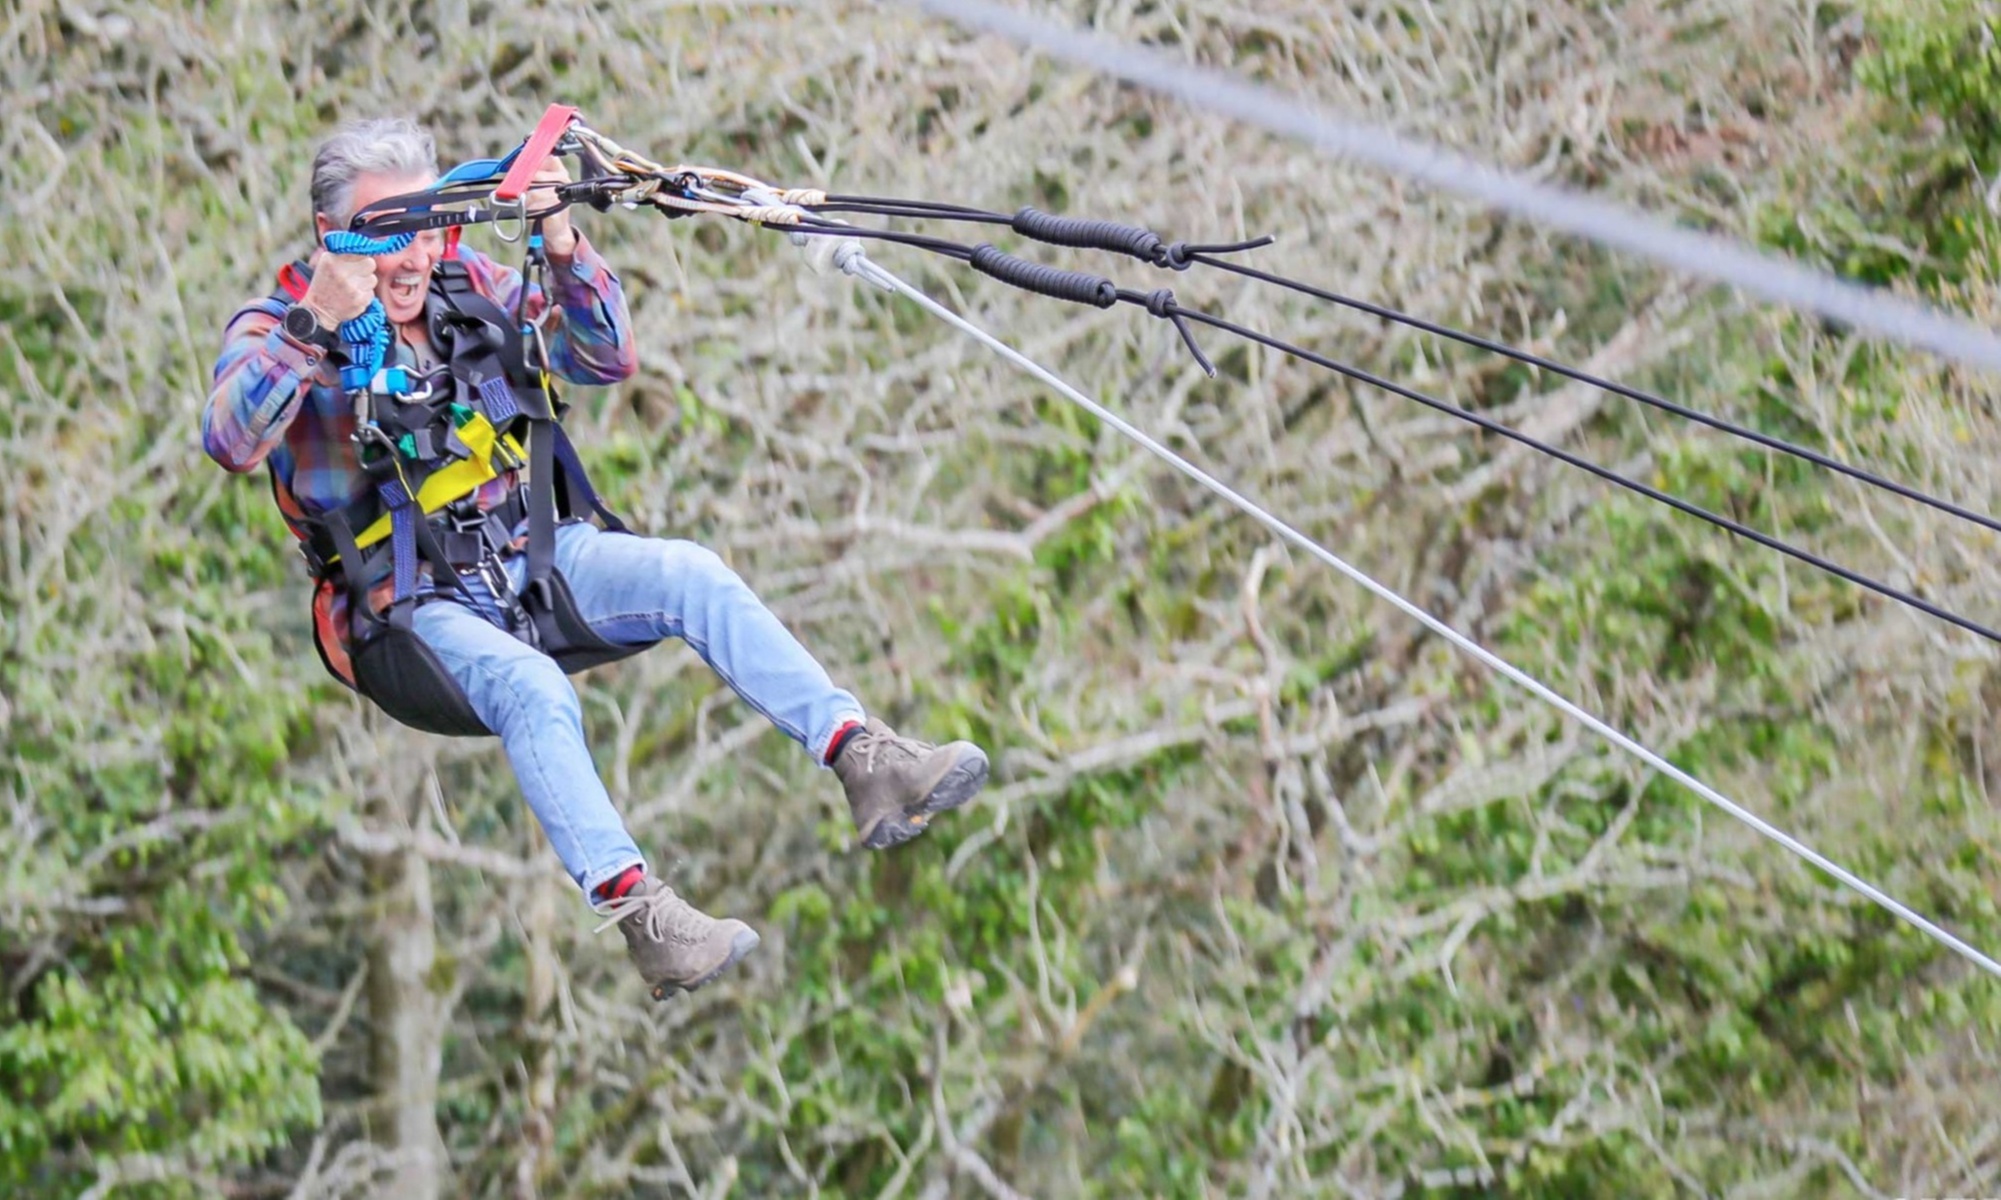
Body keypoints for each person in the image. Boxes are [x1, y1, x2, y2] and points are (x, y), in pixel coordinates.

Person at [204, 117, 989, 999]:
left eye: (427, 229)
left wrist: (561, 241)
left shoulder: (472, 286)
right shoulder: (279, 325)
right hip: (410, 613)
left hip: (532, 562)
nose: (413, 258)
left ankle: (863, 758)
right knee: (534, 691)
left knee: (690, 571)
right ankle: (642, 916)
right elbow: (229, 437)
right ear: (333, 238)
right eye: (388, 236)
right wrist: (317, 320)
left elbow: (605, 357)